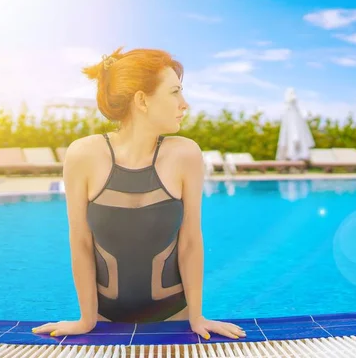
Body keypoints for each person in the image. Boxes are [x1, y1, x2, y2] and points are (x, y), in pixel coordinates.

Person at [32, 48, 246, 341]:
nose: (184, 105)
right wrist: (86, 319)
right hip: (105, 321)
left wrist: (197, 317)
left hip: (175, 320)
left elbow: (191, 240)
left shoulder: (185, 154)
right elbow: (80, 240)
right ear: (142, 100)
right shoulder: (84, 154)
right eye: (175, 93)